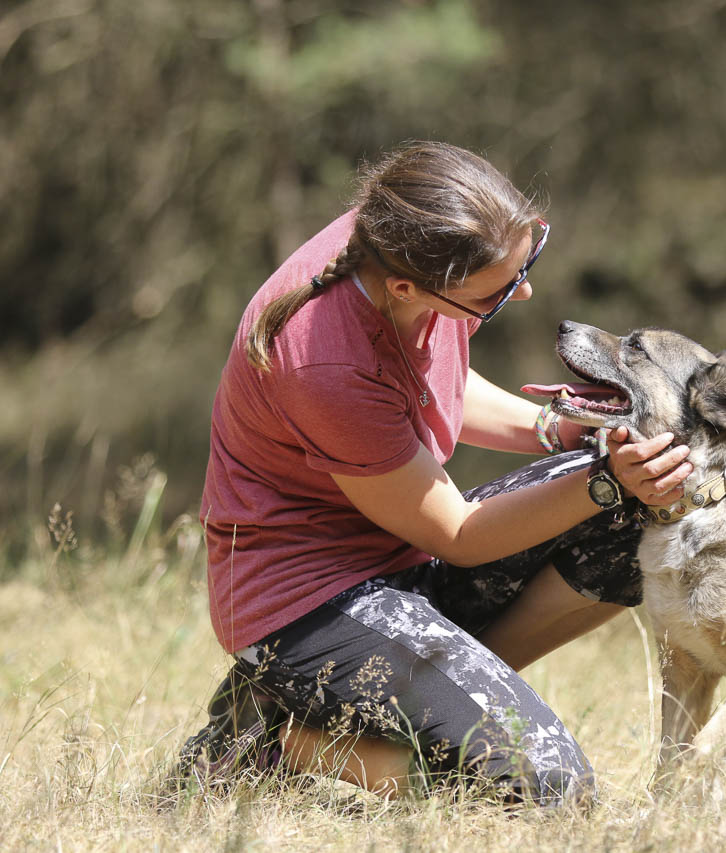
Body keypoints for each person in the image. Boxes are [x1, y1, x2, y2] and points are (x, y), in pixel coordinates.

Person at [172, 141, 693, 806]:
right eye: (497, 293)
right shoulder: (323, 357)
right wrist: (606, 481)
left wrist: (562, 431)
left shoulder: (407, 232)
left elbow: (426, 382)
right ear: (407, 289)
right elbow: (459, 534)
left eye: (527, 260)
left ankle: (428, 701)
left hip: (403, 558)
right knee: (549, 789)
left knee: (634, 516)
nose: (524, 290)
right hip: (310, 607)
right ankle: (274, 743)